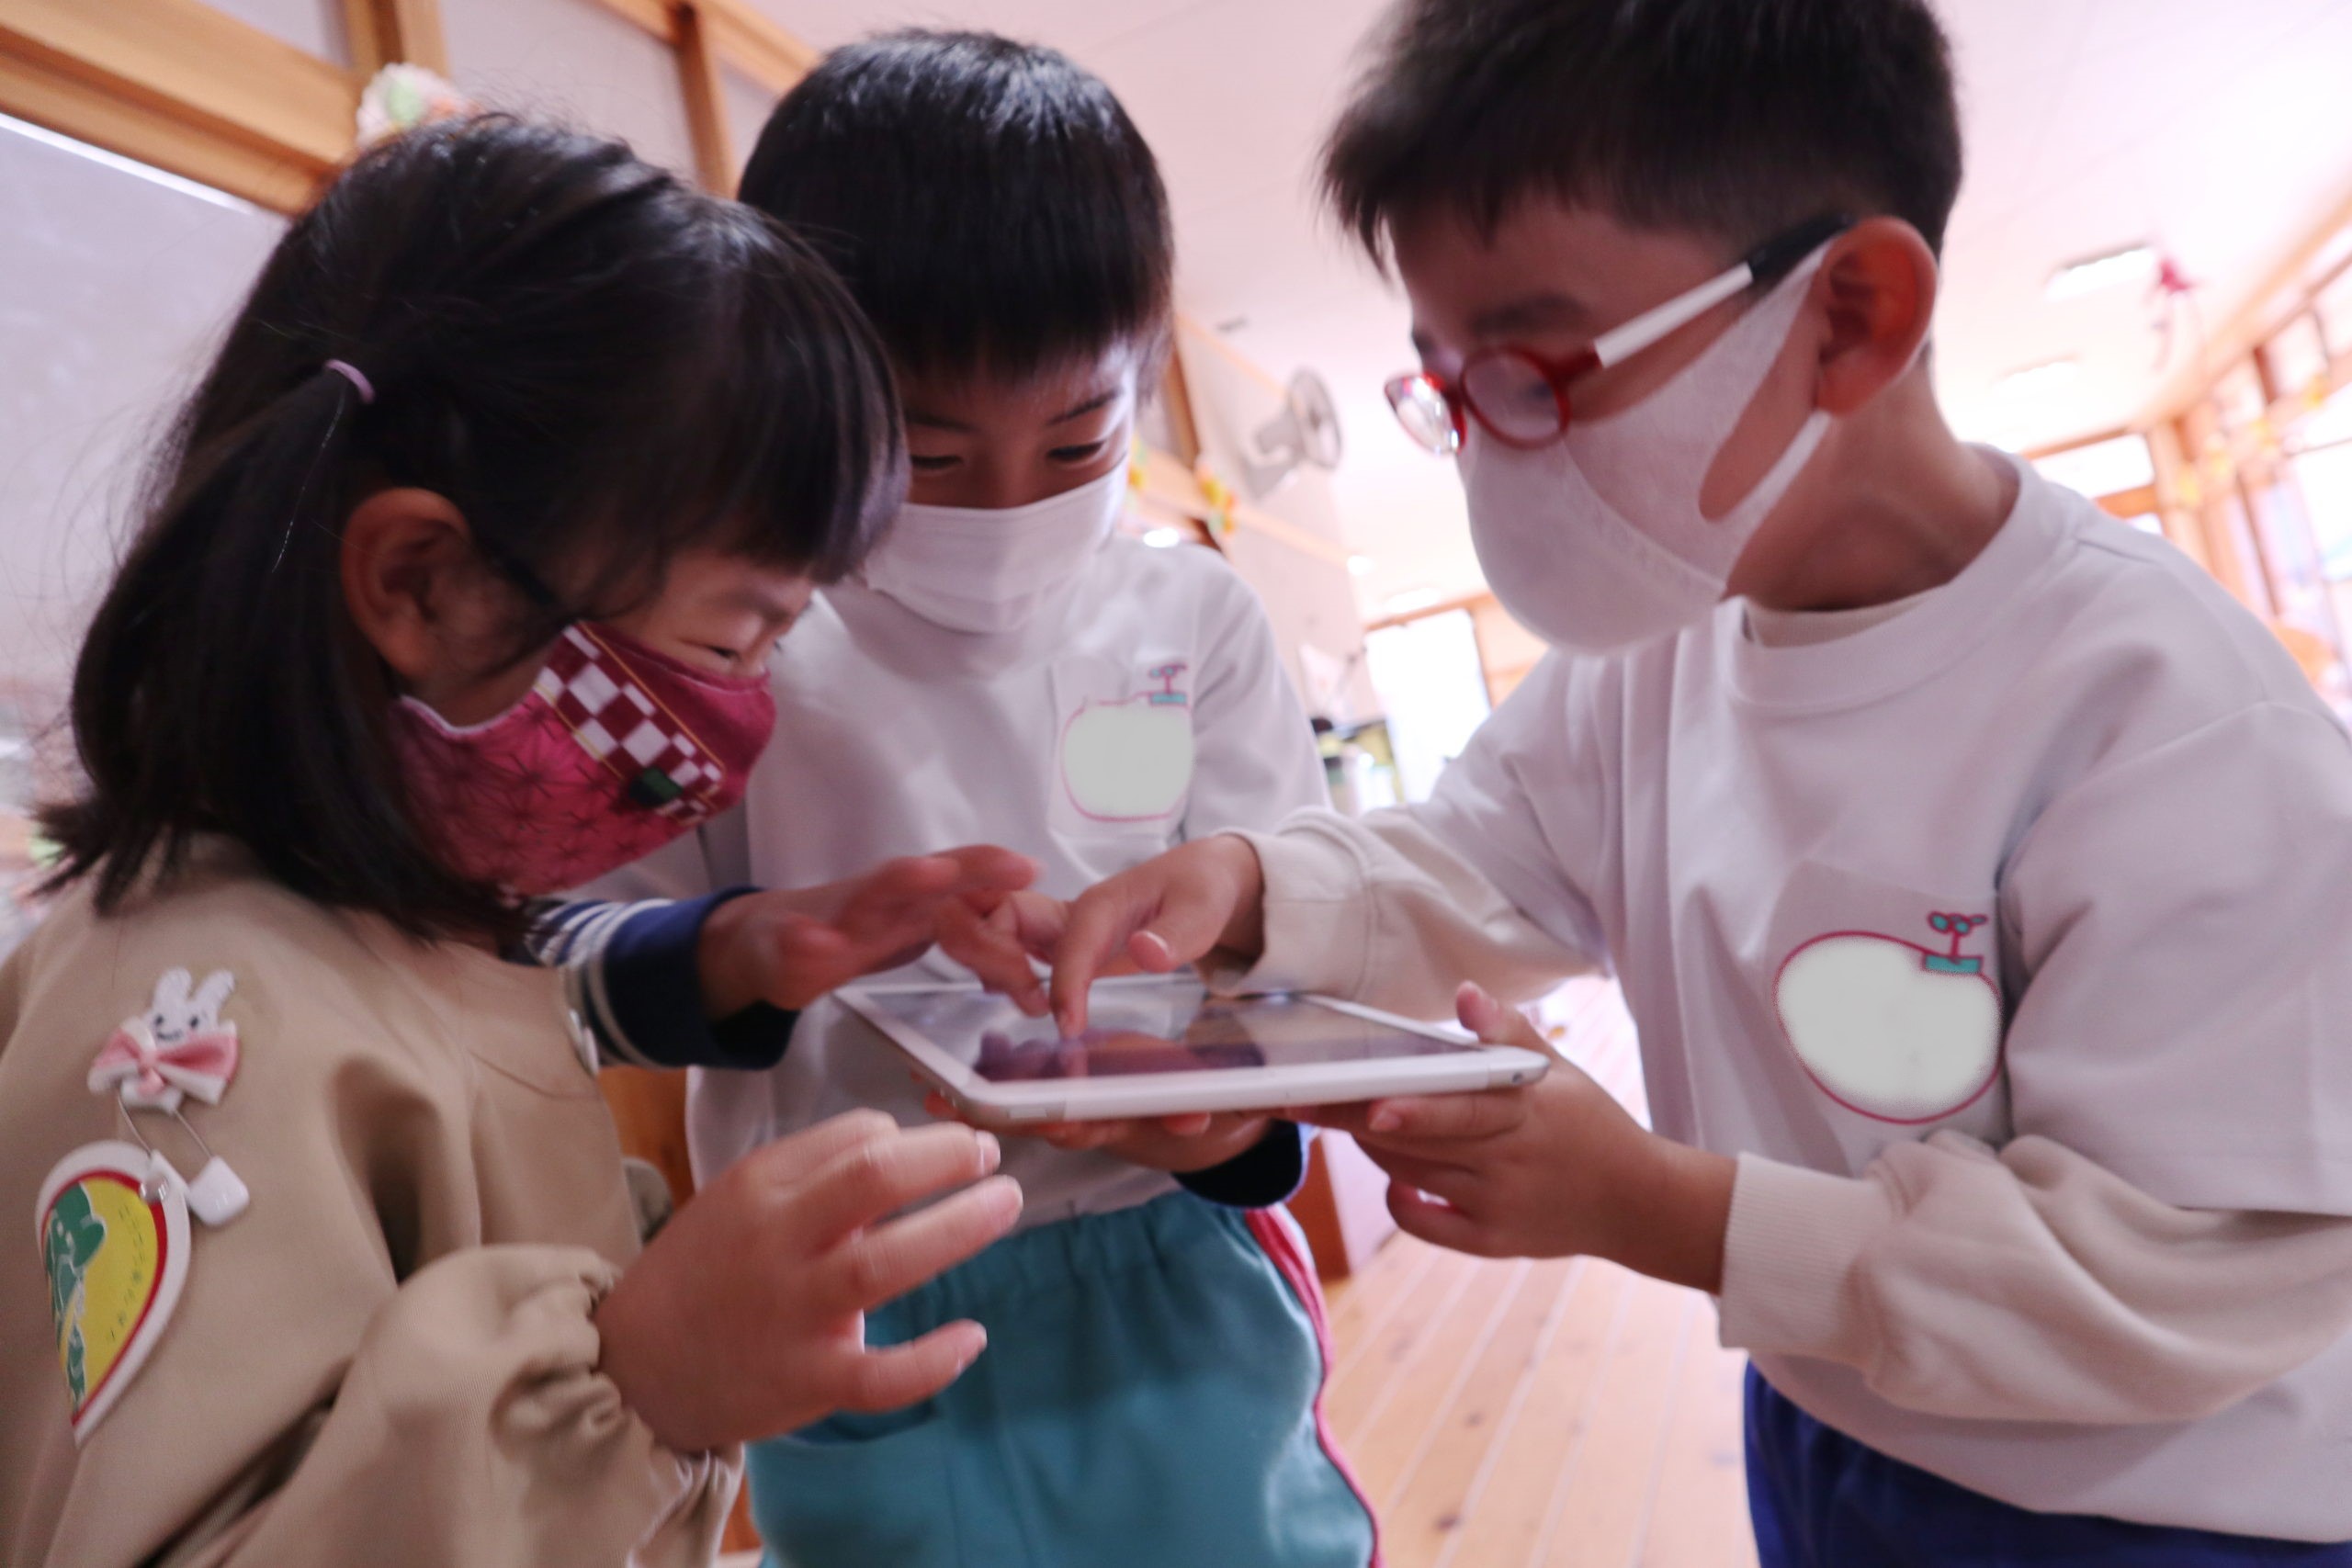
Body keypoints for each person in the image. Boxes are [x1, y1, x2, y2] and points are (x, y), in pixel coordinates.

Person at [1023, 1, 2352, 1562]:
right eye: (1450, 391)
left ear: (1848, 316)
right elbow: (1473, 862)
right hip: (1838, 1409)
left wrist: (1654, 1205)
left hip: (2164, 1505)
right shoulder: (1658, 650)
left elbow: (2184, 1269)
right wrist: (1248, 888)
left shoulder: (2164, 717)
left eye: (1535, 371)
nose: (1491, 447)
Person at [0, 116, 1038, 1568]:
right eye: (731, 639)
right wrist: (641, 1379)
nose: (740, 718)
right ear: (420, 583)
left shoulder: (408, 930)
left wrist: (736, 955)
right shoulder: (186, 1026)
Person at [549, 32, 1378, 1568]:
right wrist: (751, 947)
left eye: (1079, 442)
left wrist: (1221, 1130)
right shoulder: (737, 633)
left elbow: (1293, 951)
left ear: (1141, 385)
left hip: (1168, 1257)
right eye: (928, 455)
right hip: (849, 1269)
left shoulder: (1193, 620)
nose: (1008, 509)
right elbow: (567, 965)